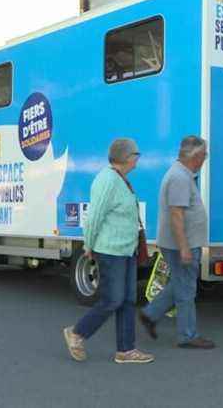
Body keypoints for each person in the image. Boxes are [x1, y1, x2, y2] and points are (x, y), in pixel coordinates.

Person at [63, 138, 155, 364]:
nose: (137, 160)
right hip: (111, 250)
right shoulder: (107, 180)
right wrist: (88, 245)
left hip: (126, 250)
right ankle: (77, 333)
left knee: (127, 300)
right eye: (136, 155)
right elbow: (94, 216)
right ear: (125, 158)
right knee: (112, 300)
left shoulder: (121, 180)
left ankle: (126, 350)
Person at [139, 136, 215, 349]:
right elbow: (176, 215)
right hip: (182, 244)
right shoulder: (180, 178)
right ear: (196, 156)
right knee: (186, 290)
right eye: (205, 154)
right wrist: (184, 247)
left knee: (181, 284)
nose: (205, 158)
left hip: (183, 243)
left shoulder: (183, 174)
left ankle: (150, 314)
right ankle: (187, 335)